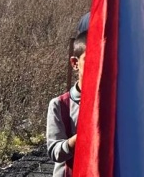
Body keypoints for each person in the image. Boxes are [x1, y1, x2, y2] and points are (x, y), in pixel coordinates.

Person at [46, 31, 86, 177]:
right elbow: (55, 152)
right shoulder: (60, 105)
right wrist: (80, 138)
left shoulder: (117, 105)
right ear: (75, 63)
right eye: (91, 60)